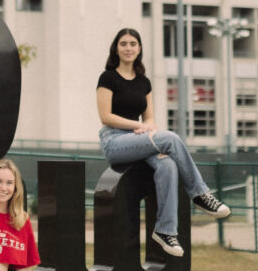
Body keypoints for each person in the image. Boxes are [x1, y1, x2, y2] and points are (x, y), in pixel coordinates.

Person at [96, 28, 230, 258]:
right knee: (170, 137)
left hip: (138, 138)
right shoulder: (108, 78)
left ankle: (165, 231)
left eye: (133, 44)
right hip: (115, 141)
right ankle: (199, 194)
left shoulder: (144, 82)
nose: (128, 48)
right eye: (123, 44)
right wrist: (138, 127)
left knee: (167, 164)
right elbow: (105, 117)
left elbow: (149, 118)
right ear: (116, 49)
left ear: (139, 49)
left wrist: (145, 128)